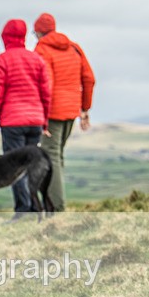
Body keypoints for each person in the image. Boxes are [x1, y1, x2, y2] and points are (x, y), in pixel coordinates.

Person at [0, 19, 51, 222]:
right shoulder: (36, 59)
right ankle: (35, 208)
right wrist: (45, 120)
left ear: (5, 38)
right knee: (31, 166)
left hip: (12, 122)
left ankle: (23, 210)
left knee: (15, 167)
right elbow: (46, 93)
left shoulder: (3, 60)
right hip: (34, 121)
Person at [33, 12, 95, 212]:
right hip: (71, 111)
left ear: (39, 32)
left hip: (52, 113)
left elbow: (46, 85)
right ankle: (54, 203)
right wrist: (84, 108)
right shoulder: (74, 48)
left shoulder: (42, 49)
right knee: (57, 156)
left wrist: (42, 115)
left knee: (51, 158)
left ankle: (57, 208)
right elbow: (89, 79)